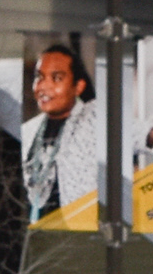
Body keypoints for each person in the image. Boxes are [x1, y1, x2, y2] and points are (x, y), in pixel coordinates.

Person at [21, 42, 105, 219]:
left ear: (78, 87)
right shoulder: (27, 131)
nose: (44, 86)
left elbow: (139, 136)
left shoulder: (95, 119)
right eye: (39, 77)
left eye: (57, 78)